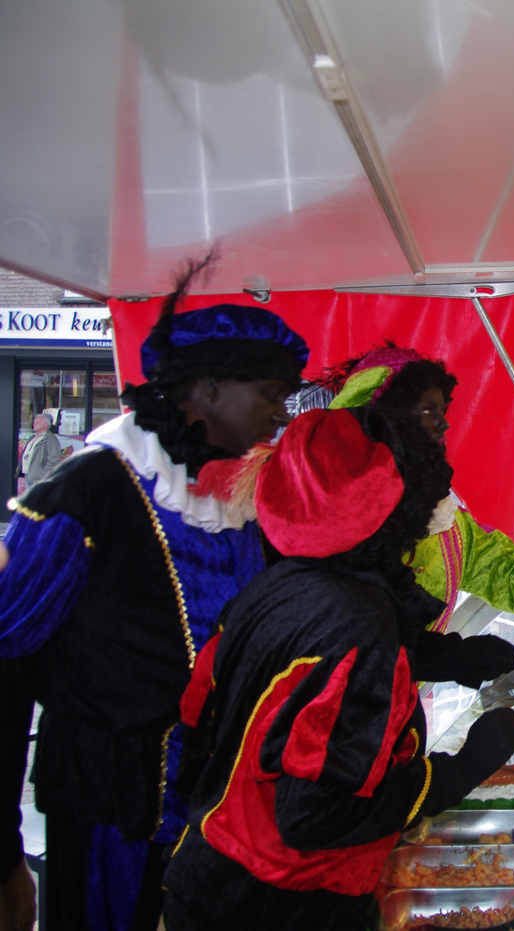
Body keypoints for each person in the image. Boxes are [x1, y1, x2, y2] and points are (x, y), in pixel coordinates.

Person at [0, 255, 309, 931]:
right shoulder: (86, 492)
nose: (280, 414)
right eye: (269, 392)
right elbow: (6, 664)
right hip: (108, 809)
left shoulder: (235, 502)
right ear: (207, 387)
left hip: (211, 809)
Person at [162, 407, 514, 931]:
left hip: (212, 868)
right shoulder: (357, 619)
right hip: (282, 901)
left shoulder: (283, 582)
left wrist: (443, 656)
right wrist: (458, 771)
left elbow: (213, 716)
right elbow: (316, 812)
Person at [320, 344, 514, 627]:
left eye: (442, 411)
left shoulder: (445, 520)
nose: (443, 425)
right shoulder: (326, 513)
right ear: (384, 418)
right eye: (428, 411)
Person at [19, 415, 62, 488]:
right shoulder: (33, 437)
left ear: (45, 425)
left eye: (37, 422)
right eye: (34, 422)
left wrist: (43, 474)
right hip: (28, 474)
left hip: (39, 477)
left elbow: (54, 459)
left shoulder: (50, 439)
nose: (34, 424)